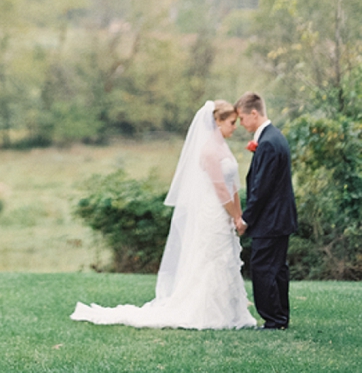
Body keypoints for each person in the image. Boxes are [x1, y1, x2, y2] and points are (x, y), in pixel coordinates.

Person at [71, 100, 256, 330]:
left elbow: (232, 187)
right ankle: (209, 313)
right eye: (231, 122)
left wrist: (238, 216)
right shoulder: (209, 151)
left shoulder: (223, 148)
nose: (235, 127)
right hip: (212, 212)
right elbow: (220, 190)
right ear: (217, 122)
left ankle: (230, 313)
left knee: (225, 259)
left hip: (225, 212)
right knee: (211, 259)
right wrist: (234, 216)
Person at [235, 91, 297, 330]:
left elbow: (262, 188)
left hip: (271, 219)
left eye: (242, 118)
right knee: (278, 269)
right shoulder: (274, 137)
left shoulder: (269, 142)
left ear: (254, 113)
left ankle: (273, 319)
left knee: (264, 268)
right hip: (279, 218)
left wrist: (246, 219)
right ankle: (280, 317)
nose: (241, 123)